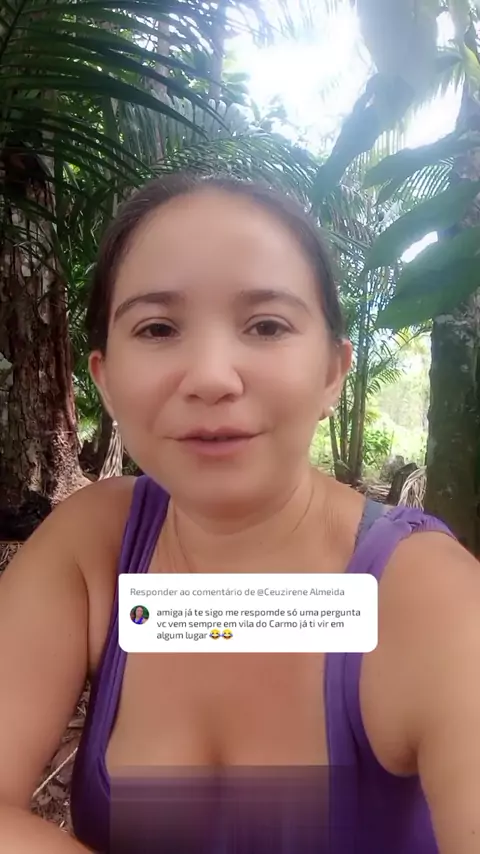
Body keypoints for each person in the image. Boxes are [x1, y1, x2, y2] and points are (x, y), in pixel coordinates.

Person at [0, 173, 479, 854]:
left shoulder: (429, 597)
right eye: (158, 328)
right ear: (105, 380)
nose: (211, 377)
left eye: (266, 325)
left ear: (332, 372)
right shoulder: (93, 546)